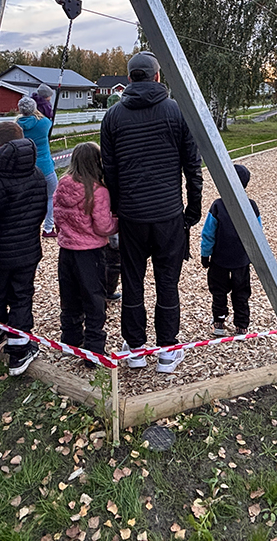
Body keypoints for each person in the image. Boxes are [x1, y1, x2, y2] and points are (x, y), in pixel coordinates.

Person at [101, 51, 202, 373]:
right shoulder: (176, 111)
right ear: (158, 76)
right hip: (168, 213)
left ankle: (135, 349)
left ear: (129, 78)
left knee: (132, 280)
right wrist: (193, 207)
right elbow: (192, 166)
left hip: (132, 216)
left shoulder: (113, 116)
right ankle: (168, 350)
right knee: (167, 281)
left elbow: (110, 170)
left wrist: (117, 210)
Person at [0, 121, 48, 375]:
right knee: (21, 296)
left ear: (0, 148)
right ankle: (18, 348)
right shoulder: (37, 175)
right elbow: (39, 213)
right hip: (27, 249)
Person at [52, 142, 117, 367]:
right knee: (94, 300)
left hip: (67, 250)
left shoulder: (62, 184)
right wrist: (118, 223)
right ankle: (94, 349)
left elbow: (57, 217)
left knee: (69, 298)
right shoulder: (98, 191)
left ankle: (70, 341)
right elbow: (102, 226)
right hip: (90, 253)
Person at [200, 163, 259, 337]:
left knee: (218, 290)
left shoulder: (218, 206)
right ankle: (242, 325)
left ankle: (218, 322)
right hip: (241, 259)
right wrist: (255, 256)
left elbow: (208, 233)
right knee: (242, 292)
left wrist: (205, 254)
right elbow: (258, 234)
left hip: (219, 259)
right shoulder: (252, 206)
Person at [16, 96, 57, 238]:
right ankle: (48, 228)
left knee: (27, 199)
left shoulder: (17, 127)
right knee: (51, 196)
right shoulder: (44, 123)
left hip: (26, 167)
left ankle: (27, 228)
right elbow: (49, 120)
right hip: (45, 166)